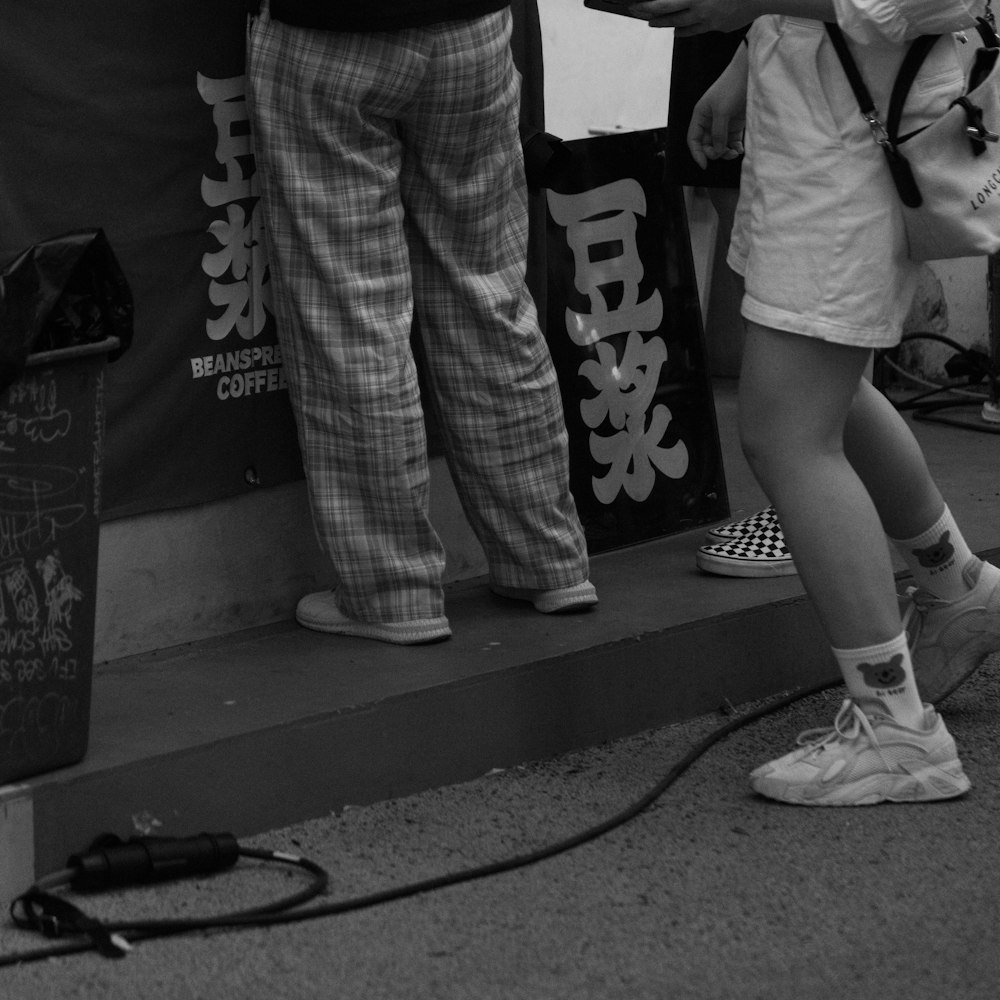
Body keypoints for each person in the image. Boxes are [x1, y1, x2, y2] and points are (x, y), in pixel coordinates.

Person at [632, 0, 1000, 804]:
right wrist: (742, 54)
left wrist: (743, 6)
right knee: (824, 392)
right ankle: (955, 586)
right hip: (818, 120)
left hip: (862, 142)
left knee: (786, 431)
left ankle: (900, 731)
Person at [245, 0, 596, 646]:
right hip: (472, 28)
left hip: (330, 37)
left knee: (353, 314)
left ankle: (393, 590)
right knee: (490, 296)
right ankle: (548, 559)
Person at [666, 28, 797, 579]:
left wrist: (750, 48)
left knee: (786, 245)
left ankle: (803, 507)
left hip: (802, 43)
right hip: (760, 31)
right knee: (734, 197)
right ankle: (952, 572)